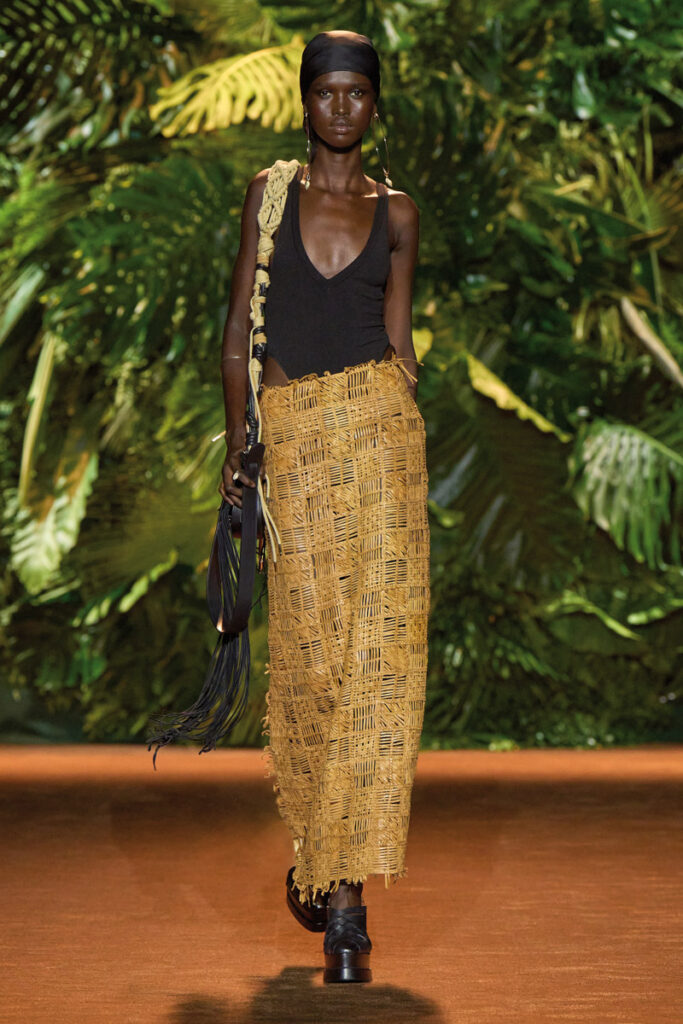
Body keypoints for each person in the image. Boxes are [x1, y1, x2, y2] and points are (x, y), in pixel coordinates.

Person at [218, 30, 430, 984]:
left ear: (374, 104)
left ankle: (346, 906)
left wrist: (408, 426)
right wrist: (241, 448)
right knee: (311, 665)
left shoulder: (397, 214)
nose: (340, 107)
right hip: (296, 452)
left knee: (376, 665)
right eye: (326, 93)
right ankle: (319, 843)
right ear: (305, 101)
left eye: (356, 93)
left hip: (381, 448)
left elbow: (399, 343)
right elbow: (238, 333)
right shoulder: (269, 198)